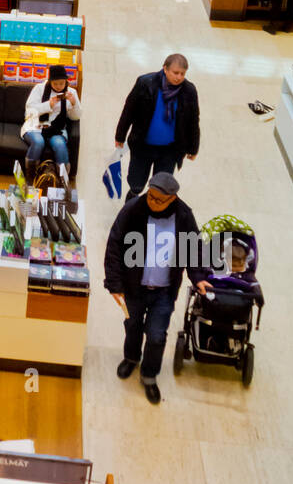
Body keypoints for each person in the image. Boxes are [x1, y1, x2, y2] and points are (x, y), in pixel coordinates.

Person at [103, 171, 204, 404]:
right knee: (132, 326)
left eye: (159, 200)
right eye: (150, 196)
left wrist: (198, 277)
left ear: (173, 199)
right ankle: (131, 358)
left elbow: (194, 248)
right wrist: (115, 283)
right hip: (133, 287)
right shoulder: (133, 210)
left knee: (157, 336)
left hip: (164, 291)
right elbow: (115, 245)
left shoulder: (183, 215)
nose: (152, 202)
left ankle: (149, 376)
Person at [114, 53, 200, 199]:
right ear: (165, 69)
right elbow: (129, 110)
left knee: (161, 187)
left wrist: (193, 147)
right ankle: (131, 206)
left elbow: (193, 120)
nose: (179, 77)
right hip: (143, 145)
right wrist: (120, 135)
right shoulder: (145, 83)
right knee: (136, 184)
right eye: (175, 72)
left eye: (182, 74)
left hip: (170, 151)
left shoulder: (189, 91)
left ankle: (152, 211)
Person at [20, 63, 81, 176]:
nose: (58, 86)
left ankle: (62, 179)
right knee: (38, 142)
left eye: (61, 83)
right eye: (55, 83)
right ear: (49, 81)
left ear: (66, 81)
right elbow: (30, 111)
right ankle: (31, 175)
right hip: (36, 126)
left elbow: (76, 117)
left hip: (57, 129)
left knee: (60, 145)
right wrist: (48, 105)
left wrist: (73, 104)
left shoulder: (71, 93)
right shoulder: (39, 88)